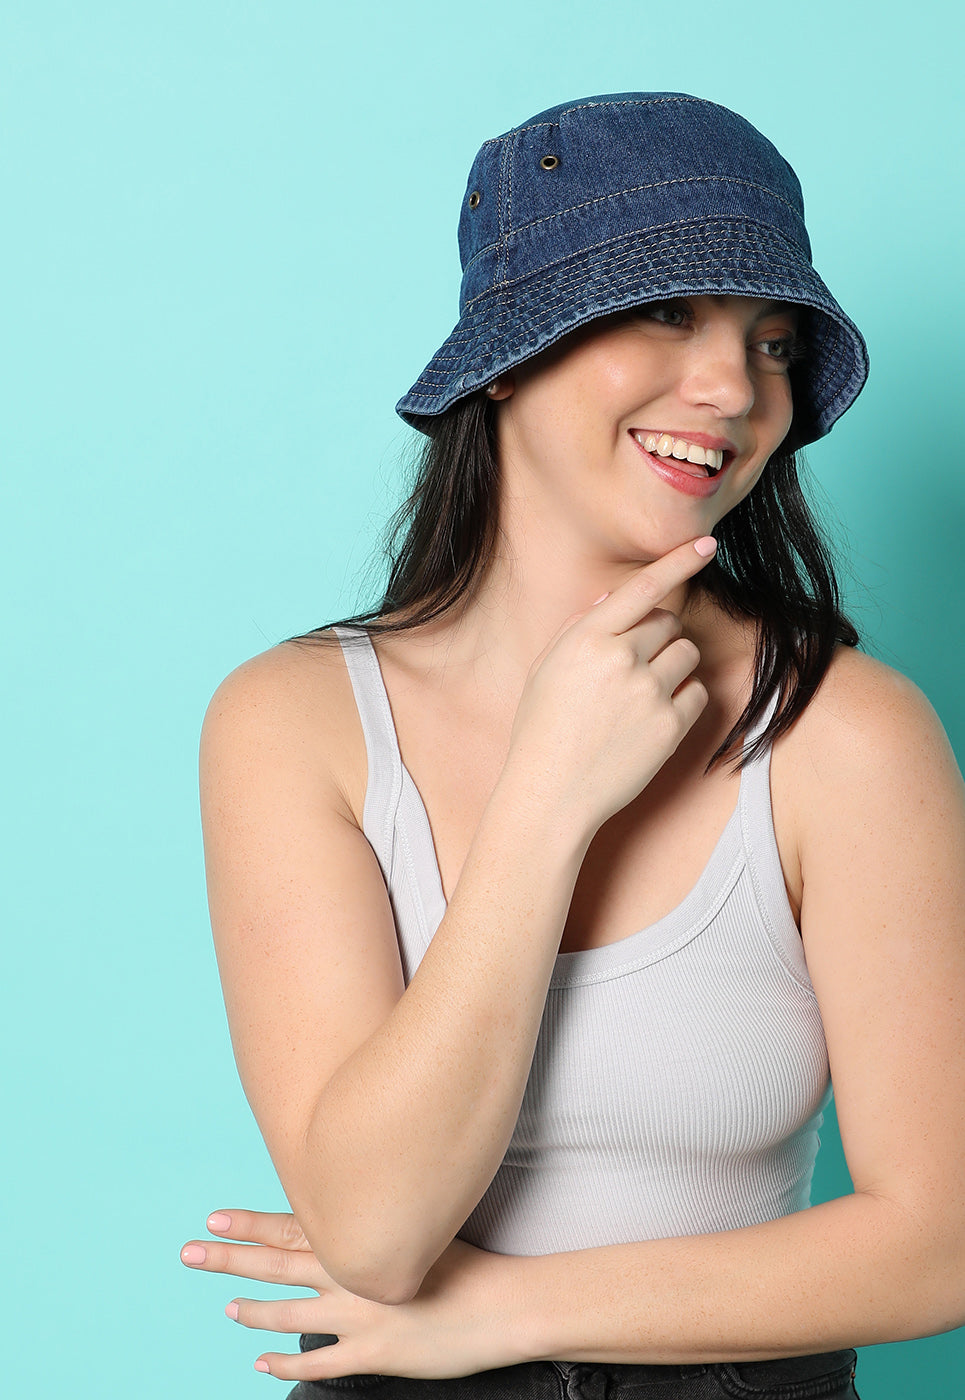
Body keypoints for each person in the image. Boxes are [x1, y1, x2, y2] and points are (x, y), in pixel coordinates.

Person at [181, 93, 965, 1398]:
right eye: (664, 311)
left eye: (771, 342)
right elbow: (375, 1228)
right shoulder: (293, 721)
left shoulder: (845, 732)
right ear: (506, 348)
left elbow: (937, 1246)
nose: (730, 390)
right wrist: (551, 793)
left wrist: (499, 1313)